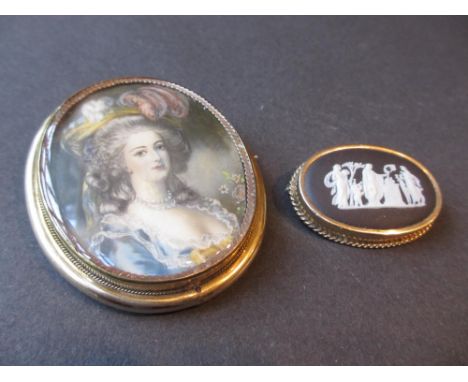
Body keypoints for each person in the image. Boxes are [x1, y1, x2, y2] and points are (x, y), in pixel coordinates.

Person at [78, 108, 239, 277]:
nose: (156, 157)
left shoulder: (202, 206)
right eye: (141, 153)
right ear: (122, 164)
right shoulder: (125, 231)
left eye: (159, 147)